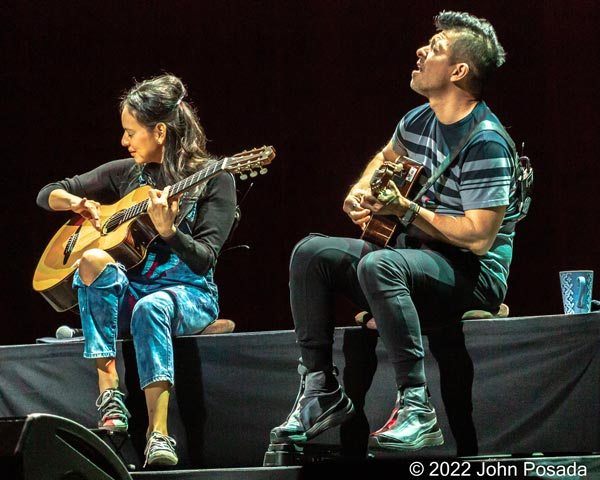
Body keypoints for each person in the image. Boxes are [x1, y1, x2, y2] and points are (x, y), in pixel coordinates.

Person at [269, 11, 518, 454]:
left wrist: (406, 208)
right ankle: (321, 389)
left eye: (435, 48)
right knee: (311, 253)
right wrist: (360, 192)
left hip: (471, 275)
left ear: (459, 71)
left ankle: (417, 407)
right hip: (413, 260)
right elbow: (384, 159)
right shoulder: (417, 120)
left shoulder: (487, 142)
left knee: (380, 265)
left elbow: (478, 237)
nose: (421, 51)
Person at [36, 73, 238, 467]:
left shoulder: (215, 180)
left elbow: (204, 259)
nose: (125, 142)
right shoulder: (126, 174)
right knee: (93, 259)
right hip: (134, 290)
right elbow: (47, 193)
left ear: (159, 131)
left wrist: (171, 233)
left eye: (131, 133)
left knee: (152, 308)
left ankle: (158, 433)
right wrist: (75, 202)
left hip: (190, 293)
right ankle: (110, 399)